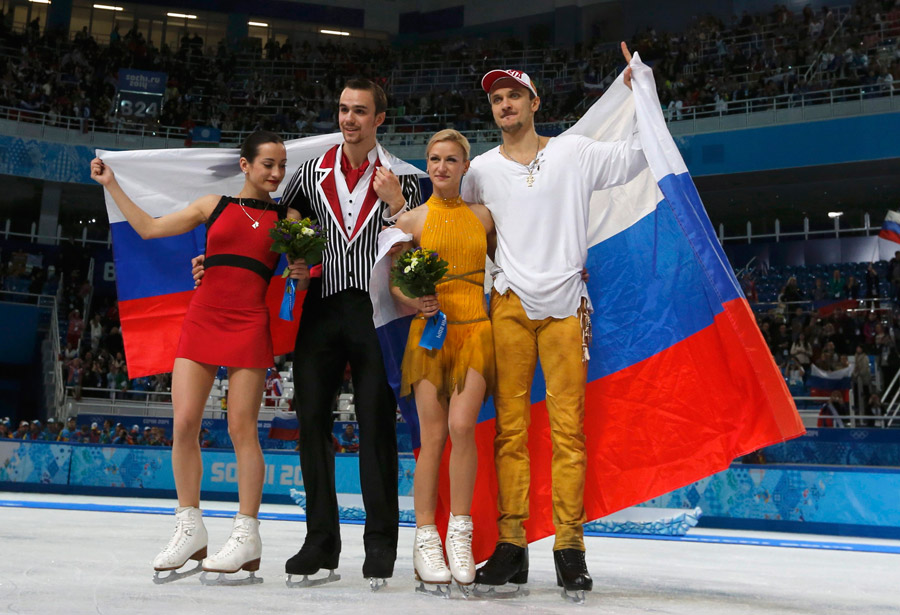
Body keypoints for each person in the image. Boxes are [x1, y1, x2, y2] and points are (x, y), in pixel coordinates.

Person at [194, 78, 422, 587]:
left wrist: (396, 204)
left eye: (360, 111)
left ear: (379, 118)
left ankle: (381, 541)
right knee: (312, 423)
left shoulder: (404, 177)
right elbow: (270, 225)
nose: (349, 119)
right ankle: (320, 541)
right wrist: (221, 260)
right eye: (343, 109)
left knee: (376, 428)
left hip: (377, 310)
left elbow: (424, 238)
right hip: (320, 307)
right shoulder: (308, 174)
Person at [461, 43, 645, 600]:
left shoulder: (575, 153)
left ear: (534, 102)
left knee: (568, 433)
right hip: (510, 306)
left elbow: (639, 156)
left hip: (566, 307)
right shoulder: (481, 170)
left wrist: (643, 96)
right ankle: (512, 547)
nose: (504, 104)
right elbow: (467, 230)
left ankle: (570, 549)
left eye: (513, 94)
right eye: (496, 98)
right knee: (510, 432)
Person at [91, 130, 310, 583]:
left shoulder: (290, 219)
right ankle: (190, 527)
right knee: (185, 422)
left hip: (250, 323)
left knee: (241, 430)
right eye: (268, 164)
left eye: (282, 165)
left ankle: (247, 534)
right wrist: (112, 184)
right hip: (202, 317)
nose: (276, 172)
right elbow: (150, 229)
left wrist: (301, 272)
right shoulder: (214, 205)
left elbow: (300, 282)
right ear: (246, 166)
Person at [389, 130, 494, 592]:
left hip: (475, 328)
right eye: (434, 159)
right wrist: (416, 303)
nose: (442, 167)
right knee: (431, 437)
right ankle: (426, 536)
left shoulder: (484, 217)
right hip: (428, 335)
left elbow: (513, 263)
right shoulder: (410, 221)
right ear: (427, 165)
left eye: (452, 159)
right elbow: (394, 285)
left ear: (465, 166)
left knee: (461, 428)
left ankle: (461, 534)